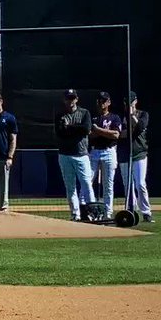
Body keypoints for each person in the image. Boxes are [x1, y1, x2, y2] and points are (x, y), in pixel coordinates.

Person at [55, 89, 95, 221]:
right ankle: (75, 214)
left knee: (87, 184)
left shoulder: (84, 113)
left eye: (73, 98)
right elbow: (60, 132)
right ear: (64, 100)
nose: (70, 101)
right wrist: (76, 129)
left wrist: (70, 127)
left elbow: (86, 129)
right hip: (65, 154)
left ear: (76, 99)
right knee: (70, 186)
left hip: (81, 154)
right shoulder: (60, 114)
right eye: (68, 98)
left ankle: (93, 213)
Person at [119, 91, 154, 223]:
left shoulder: (143, 114)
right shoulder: (121, 117)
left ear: (135, 101)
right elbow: (120, 134)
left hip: (139, 153)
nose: (129, 104)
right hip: (124, 154)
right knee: (128, 185)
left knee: (140, 184)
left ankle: (146, 212)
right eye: (126, 102)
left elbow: (140, 127)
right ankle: (130, 209)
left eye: (131, 102)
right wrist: (129, 131)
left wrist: (132, 115)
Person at [89, 91, 123, 217]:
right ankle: (88, 209)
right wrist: (105, 132)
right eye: (99, 100)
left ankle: (108, 212)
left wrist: (98, 131)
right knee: (88, 180)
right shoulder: (93, 117)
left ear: (108, 102)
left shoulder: (114, 117)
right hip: (95, 150)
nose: (100, 103)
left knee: (108, 184)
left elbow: (116, 134)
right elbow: (90, 136)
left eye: (103, 101)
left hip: (109, 151)